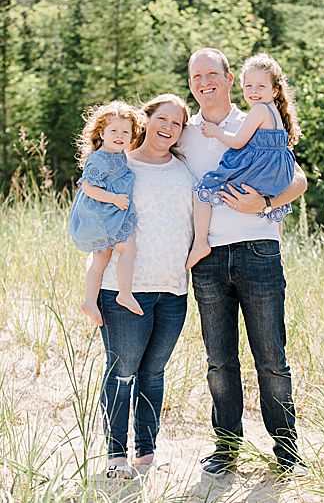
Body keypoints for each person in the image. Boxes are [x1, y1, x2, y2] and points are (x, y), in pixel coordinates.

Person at [180, 47, 309, 477]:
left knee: (271, 356)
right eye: (196, 76)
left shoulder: (255, 114)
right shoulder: (183, 130)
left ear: (229, 78)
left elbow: (300, 178)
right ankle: (227, 447)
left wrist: (266, 201)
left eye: (211, 74)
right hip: (207, 257)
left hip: (258, 249)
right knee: (220, 359)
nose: (204, 82)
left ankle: (286, 450)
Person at [93, 94, 196, 480]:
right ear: (146, 120)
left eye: (177, 123)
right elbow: (91, 215)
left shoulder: (185, 170)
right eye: (162, 118)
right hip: (124, 290)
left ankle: (146, 452)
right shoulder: (121, 166)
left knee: (153, 374)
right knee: (123, 373)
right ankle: (116, 454)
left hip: (173, 289)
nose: (168, 127)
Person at [188, 53, 300, 269]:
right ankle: (279, 244)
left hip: (257, 244)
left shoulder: (256, 112)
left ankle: (200, 242)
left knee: (204, 187)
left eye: (260, 86)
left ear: (274, 90)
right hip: (274, 173)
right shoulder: (275, 113)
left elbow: (238, 142)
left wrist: (215, 132)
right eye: (249, 86)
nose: (253, 92)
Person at [69, 101, 146, 325]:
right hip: (102, 214)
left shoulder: (118, 155)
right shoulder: (99, 158)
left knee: (101, 259)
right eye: (114, 131)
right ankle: (124, 293)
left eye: (125, 132)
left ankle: (90, 302)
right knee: (128, 249)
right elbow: (88, 187)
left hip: (108, 213)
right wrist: (114, 198)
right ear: (102, 133)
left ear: (132, 136)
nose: (120, 136)